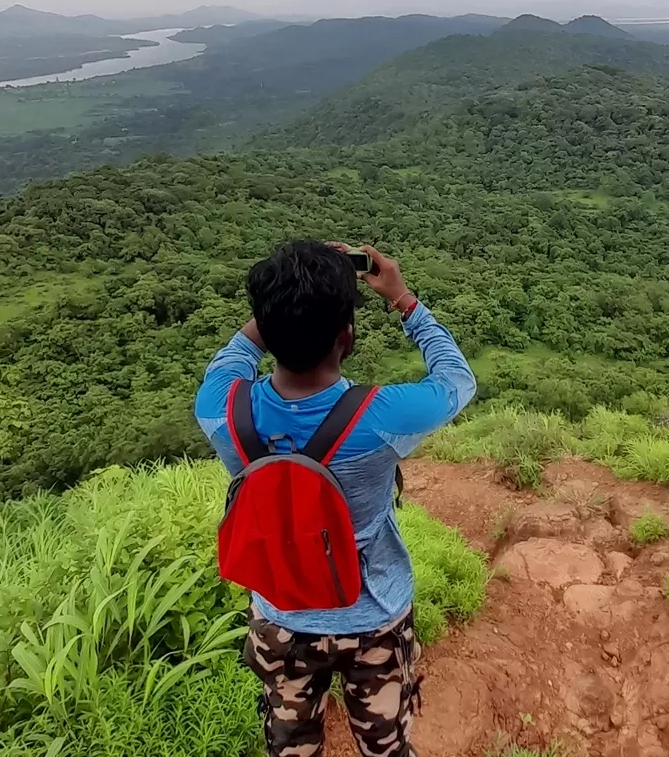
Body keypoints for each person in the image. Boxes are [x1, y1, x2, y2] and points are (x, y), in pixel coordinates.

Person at [194, 239, 476, 757]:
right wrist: (403, 299)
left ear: (267, 329)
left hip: (280, 617)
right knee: (385, 746)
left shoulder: (222, 411)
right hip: (375, 618)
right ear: (346, 336)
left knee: (290, 746)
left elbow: (236, 354)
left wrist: (285, 302)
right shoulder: (382, 416)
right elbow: (457, 379)